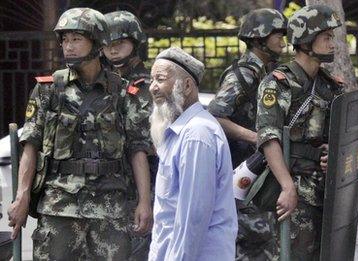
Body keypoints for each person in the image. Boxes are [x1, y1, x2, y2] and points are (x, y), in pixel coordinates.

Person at [7, 8, 152, 260]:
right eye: (64, 40)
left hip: (110, 209)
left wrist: (144, 202)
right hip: (59, 207)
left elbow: (137, 150)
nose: (68, 47)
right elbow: (30, 145)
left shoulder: (122, 94)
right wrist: (22, 196)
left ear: (96, 42)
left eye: (76, 39)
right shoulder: (48, 91)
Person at [255, 5, 344, 260]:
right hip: (294, 188)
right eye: (326, 37)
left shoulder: (331, 86)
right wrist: (286, 187)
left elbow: (339, 138)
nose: (332, 43)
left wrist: (331, 154)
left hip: (325, 193)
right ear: (306, 40)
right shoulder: (278, 83)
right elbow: (269, 137)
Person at [207, 8, 286, 260]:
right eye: (277, 34)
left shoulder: (266, 72)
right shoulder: (243, 74)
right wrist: (257, 138)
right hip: (243, 178)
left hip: (261, 176)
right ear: (258, 38)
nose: (282, 40)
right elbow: (215, 116)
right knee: (253, 247)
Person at [148, 47, 237, 261]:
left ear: (187, 85)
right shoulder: (178, 132)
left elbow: (192, 218)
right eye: (152, 80)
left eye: (160, 79)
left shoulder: (196, 134)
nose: (153, 88)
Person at [103, 10, 154, 260]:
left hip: (144, 185)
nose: (112, 50)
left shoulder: (147, 85)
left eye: (119, 43)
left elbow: (144, 143)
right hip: (114, 187)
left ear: (134, 41)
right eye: (107, 45)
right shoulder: (107, 84)